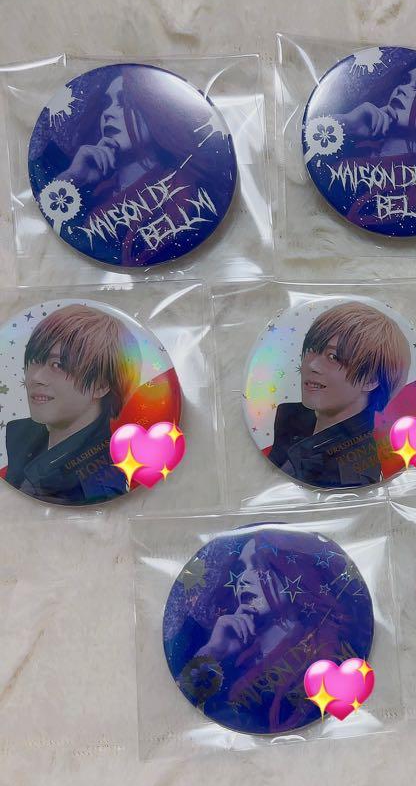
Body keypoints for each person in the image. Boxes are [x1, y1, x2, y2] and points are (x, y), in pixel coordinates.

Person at [168, 536, 369, 734]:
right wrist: (214, 651)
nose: (243, 579)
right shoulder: (234, 661)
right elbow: (181, 709)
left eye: (258, 566)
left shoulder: (330, 645)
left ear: (294, 572)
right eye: (240, 569)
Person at [35, 67, 234, 265]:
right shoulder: (98, 190)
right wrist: (72, 178)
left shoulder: (183, 186)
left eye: (124, 102)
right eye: (106, 103)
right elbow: (55, 241)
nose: (108, 113)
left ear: (153, 110)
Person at [3, 304, 140, 504]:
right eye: (34, 360)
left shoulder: (101, 480)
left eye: (58, 365)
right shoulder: (21, 438)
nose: (36, 377)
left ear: (101, 385)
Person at [269, 302, 411, 489]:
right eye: (312, 350)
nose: (312, 365)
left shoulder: (352, 472)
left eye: (333, 357)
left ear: (371, 380)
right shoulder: (291, 419)